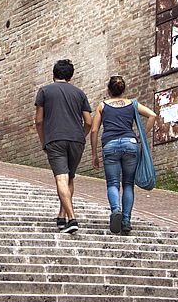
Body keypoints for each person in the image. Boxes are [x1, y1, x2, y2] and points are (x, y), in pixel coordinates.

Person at [90, 75, 158, 235]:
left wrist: (94, 154)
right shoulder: (133, 104)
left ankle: (115, 211)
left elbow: (94, 130)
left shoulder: (102, 106)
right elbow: (152, 115)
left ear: (108, 90)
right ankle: (126, 220)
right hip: (130, 144)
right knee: (128, 184)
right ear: (124, 90)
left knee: (113, 183)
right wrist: (142, 135)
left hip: (110, 145)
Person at [35, 59, 92, 233]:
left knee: (61, 178)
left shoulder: (44, 91)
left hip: (55, 139)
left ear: (53, 74)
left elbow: (38, 120)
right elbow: (88, 121)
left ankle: (72, 219)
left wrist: (43, 140)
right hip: (76, 139)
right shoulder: (79, 93)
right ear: (71, 76)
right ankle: (61, 216)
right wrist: (81, 136)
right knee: (70, 178)